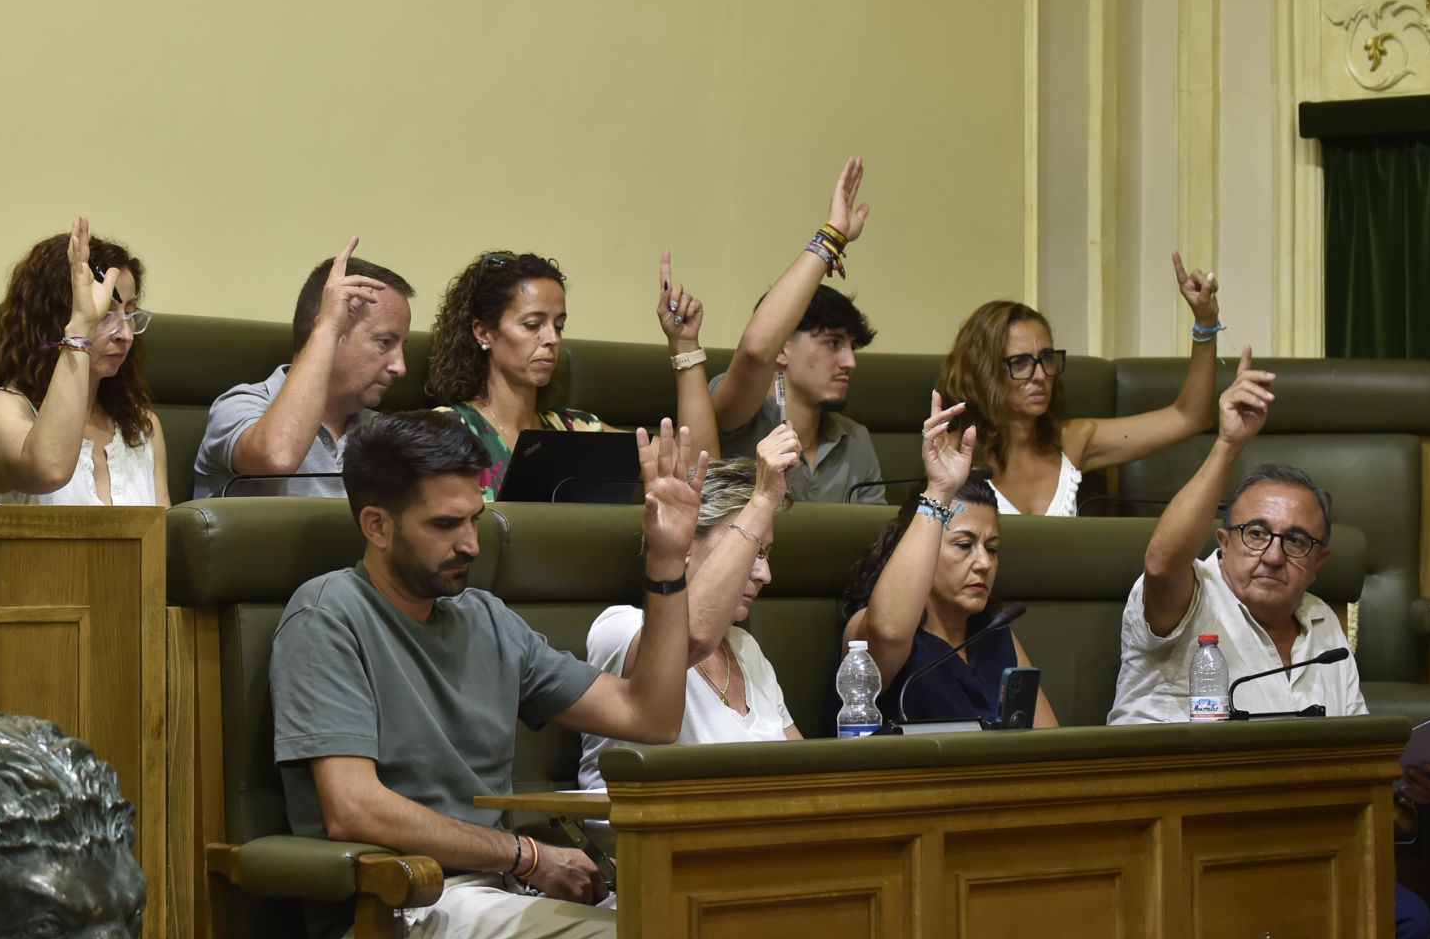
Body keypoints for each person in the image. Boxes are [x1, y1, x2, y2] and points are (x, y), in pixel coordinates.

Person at [270, 410, 703, 939]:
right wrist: (527, 855)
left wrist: (666, 564)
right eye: (444, 525)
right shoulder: (326, 617)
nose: (470, 542)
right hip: (394, 907)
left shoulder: (485, 618)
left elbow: (649, 716)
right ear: (376, 525)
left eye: (475, 517)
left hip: (491, 893)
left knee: (702, 931)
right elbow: (354, 809)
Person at [1104, 348, 1430, 939]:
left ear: (1319, 561)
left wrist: (1405, 793)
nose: (1272, 554)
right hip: (1177, 843)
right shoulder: (1190, 592)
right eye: (1255, 533)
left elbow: (1355, 785)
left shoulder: (1325, 627)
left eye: (1296, 542)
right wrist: (1228, 444)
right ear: (1223, 539)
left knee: (1408, 921)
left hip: (1297, 848)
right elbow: (1158, 561)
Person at [578, 425, 805, 789]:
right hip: (643, 840)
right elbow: (690, 636)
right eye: (751, 549)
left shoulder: (747, 650)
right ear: (683, 544)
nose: (765, 574)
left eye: (767, 553)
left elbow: (804, 773)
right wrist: (762, 499)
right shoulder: (619, 628)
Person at [936, 252, 1225, 516]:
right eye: (1020, 362)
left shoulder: (1073, 441)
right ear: (984, 371)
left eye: (1047, 358)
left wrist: (1205, 323)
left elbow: (1189, 417)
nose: (1040, 375)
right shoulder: (954, 451)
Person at [426, 249, 721, 500]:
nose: (551, 339)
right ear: (484, 333)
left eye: (559, 325)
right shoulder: (447, 431)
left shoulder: (578, 429)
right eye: (532, 325)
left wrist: (684, 345)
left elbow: (700, 473)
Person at [840, 392, 1060, 728]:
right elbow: (888, 630)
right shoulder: (868, 630)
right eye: (964, 544)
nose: (984, 563)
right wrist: (939, 491)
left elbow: (1048, 742)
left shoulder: (996, 633)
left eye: (992, 548)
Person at [709, 156, 888, 505]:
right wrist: (832, 238)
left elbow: (874, 546)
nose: (850, 362)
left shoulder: (856, 439)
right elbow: (756, 349)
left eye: (852, 346)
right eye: (833, 343)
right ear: (783, 349)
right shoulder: (743, 414)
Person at [193, 237, 413, 498]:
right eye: (384, 342)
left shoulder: (383, 433)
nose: (400, 367)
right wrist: (327, 328)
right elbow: (276, 458)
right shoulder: (241, 405)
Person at [0, 218, 167, 505]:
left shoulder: (142, 425)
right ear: (54, 319)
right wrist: (81, 329)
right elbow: (48, 470)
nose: (126, 334)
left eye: (130, 313)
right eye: (105, 315)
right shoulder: (2, 408)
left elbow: (162, 539)